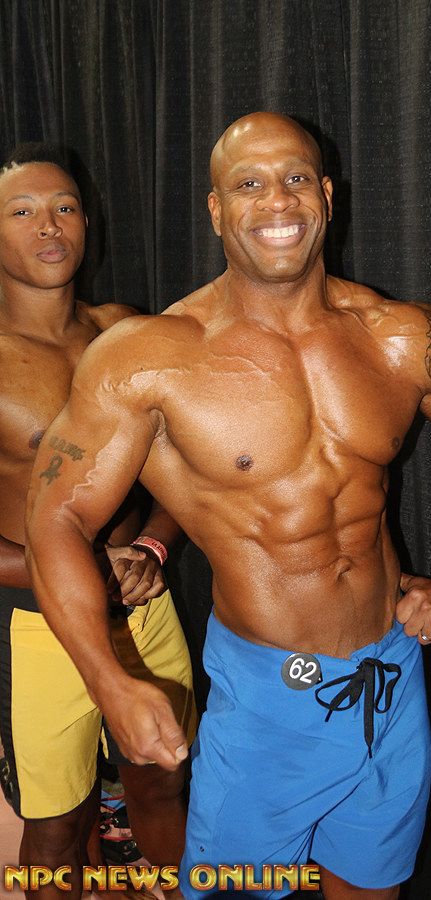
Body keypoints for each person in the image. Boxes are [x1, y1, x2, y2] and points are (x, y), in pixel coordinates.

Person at [26, 113, 431, 900]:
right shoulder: (150, 360)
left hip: (391, 676)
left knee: (373, 887)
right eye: (249, 184)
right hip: (266, 701)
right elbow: (56, 518)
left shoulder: (402, 337)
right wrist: (108, 680)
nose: (277, 201)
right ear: (216, 209)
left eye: (296, 178)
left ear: (327, 196)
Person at [0, 144, 196, 897]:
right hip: (35, 620)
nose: (49, 226)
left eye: (65, 207)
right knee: (57, 824)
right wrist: (83, 568)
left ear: (89, 223)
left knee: (163, 780)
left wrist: (152, 546)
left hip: (144, 604)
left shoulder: (126, 332)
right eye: (22, 211)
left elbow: (191, 471)